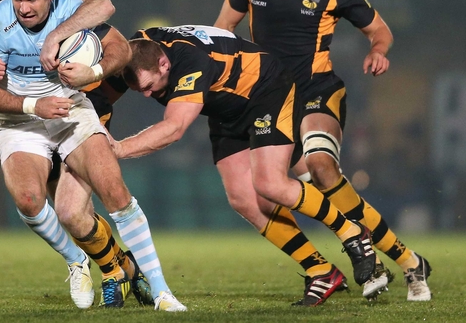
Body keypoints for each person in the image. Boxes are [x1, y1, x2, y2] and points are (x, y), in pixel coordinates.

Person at [213, 0, 431, 301]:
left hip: (317, 92)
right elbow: (224, 27)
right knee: (272, 193)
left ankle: (373, 255)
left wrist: (378, 51)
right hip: (269, 99)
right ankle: (406, 260)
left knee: (320, 167)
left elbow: (380, 31)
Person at [0, 0, 186, 311]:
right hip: (21, 119)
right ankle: (82, 261)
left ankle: (159, 291)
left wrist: (93, 71)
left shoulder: (74, 8)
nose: (22, 7)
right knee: (32, 201)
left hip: (73, 110)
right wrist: (23, 98)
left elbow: (116, 38)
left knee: (106, 194)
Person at [110, 25, 377, 306]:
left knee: (270, 184)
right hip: (226, 107)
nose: (147, 95)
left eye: (148, 87)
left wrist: (118, 148)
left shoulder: (191, 62)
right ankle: (320, 270)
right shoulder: (141, 47)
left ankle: (353, 232)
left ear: (164, 63)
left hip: (266, 89)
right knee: (243, 199)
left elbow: (174, 128)